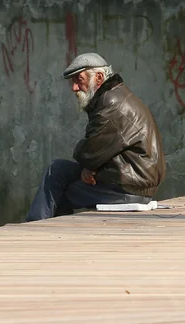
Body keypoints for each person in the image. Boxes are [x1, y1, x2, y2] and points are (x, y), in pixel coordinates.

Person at [26, 52, 166, 222]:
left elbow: (88, 152)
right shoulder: (116, 96)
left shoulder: (112, 103)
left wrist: (90, 165)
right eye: (73, 82)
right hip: (131, 180)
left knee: (58, 186)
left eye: (79, 79)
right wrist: (91, 166)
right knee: (58, 171)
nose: (74, 88)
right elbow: (98, 150)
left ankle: (33, 229)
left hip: (129, 187)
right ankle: (45, 231)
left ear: (99, 77)